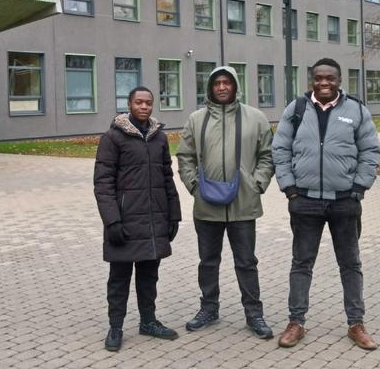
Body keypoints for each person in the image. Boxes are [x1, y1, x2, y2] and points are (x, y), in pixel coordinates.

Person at [272, 58, 380, 351]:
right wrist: (290, 188)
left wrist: (359, 186)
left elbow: (370, 150)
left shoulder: (356, 110)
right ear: (312, 80)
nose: (324, 83)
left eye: (329, 78)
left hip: (344, 202)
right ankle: (296, 322)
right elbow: (279, 149)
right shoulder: (295, 110)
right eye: (318, 78)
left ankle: (356, 324)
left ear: (339, 80)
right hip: (304, 201)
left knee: (350, 264)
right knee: (301, 263)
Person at [177, 66, 275, 339]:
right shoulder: (196, 120)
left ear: (235, 86)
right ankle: (208, 309)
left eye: (226, 83)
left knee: (246, 262)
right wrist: (194, 186)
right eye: (217, 83)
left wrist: (257, 184)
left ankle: (254, 314)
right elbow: (184, 156)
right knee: (208, 261)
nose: (221, 87)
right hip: (206, 205)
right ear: (210, 87)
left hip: (244, 205)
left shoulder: (255, 118)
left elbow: (268, 155)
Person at [93, 86, 182, 352]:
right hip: (124, 221)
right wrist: (112, 221)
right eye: (138, 102)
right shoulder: (112, 138)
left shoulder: (159, 138)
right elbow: (103, 182)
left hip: (154, 220)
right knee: (119, 278)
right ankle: (116, 327)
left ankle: (148, 321)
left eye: (148, 103)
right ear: (129, 104)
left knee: (148, 275)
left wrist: (173, 216)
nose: (144, 107)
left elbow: (167, 177)